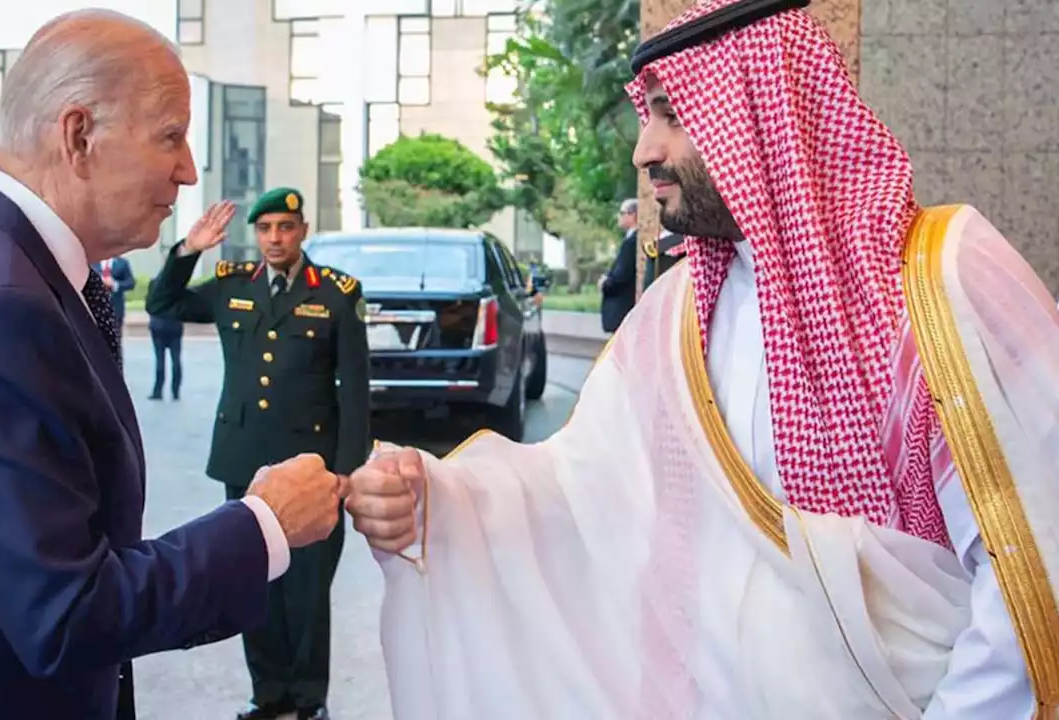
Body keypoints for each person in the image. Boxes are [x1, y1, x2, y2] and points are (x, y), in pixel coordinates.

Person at [345, 0, 1059, 718]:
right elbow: (579, 494)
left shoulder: (942, 280)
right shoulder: (674, 314)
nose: (643, 150)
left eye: (672, 114)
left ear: (760, 111)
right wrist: (433, 503)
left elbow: (1033, 569)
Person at [0, 10, 346, 720]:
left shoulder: (8, 275)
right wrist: (263, 523)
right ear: (79, 135)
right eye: (171, 137)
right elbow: (67, 611)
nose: (187, 170)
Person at [146, 187, 370, 720]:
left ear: (303, 230)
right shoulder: (231, 285)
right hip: (247, 462)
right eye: (266, 228)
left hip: (313, 467)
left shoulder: (337, 293)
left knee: (309, 592)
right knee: (258, 581)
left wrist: (345, 471)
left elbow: (355, 390)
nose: (275, 238)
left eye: (285, 227)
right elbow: (163, 303)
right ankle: (268, 695)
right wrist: (189, 250)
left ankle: (309, 701)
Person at [598, 198, 641, 333]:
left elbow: (622, 274)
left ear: (633, 215)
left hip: (623, 309)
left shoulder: (632, 241)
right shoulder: (630, 239)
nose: (619, 217)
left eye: (622, 213)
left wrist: (605, 283)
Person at [147, 278, 184, 401]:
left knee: (160, 360)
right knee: (176, 360)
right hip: (175, 325)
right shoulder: (178, 284)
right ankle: (175, 391)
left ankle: (158, 391)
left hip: (158, 326)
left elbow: (149, 304)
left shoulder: (154, 283)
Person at [94, 253, 137, 343]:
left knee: (115, 338)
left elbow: (130, 283)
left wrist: (115, 284)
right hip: (96, 306)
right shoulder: (93, 262)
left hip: (116, 307)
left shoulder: (122, 263)